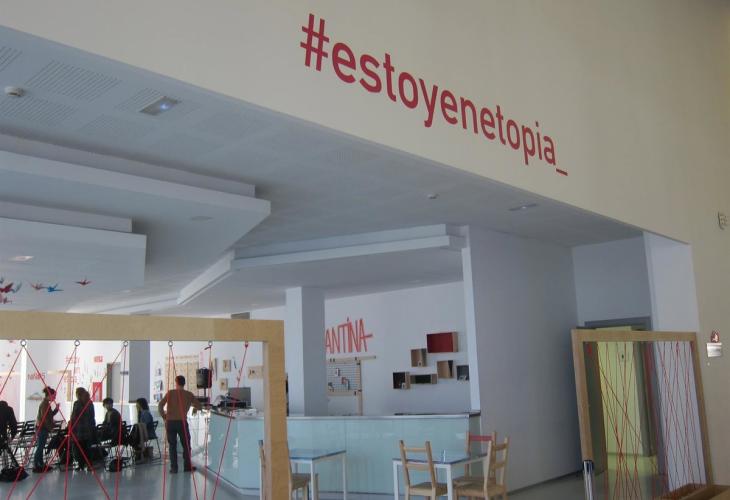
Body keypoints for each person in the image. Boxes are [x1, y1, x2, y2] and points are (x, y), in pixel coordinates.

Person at [158, 375, 201, 473]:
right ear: (184, 383)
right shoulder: (189, 394)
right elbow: (199, 406)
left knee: (172, 446)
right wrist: (193, 407)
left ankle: (174, 468)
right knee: (186, 445)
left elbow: (160, 405)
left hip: (170, 422)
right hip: (182, 422)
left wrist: (164, 416)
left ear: (176, 383)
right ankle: (187, 466)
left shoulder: (170, 393)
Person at [33, 387, 58, 473]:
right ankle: (36, 465)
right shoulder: (44, 404)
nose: (54, 398)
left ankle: (41, 464)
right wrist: (51, 427)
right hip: (42, 428)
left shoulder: (46, 404)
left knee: (41, 446)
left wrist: (56, 410)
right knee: (40, 447)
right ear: (49, 395)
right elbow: (45, 419)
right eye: (54, 396)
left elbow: (49, 415)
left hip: (43, 428)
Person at [69, 387, 96, 469]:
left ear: (78, 394)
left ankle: (81, 465)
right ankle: (89, 464)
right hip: (88, 429)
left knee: (79, 448)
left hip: (78, 430)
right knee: (87, 448)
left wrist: (70, 424)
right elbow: (92, 416)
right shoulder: (90, 403)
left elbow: (74, 417)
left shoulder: (77, 403)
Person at [0, 401, 18, 466]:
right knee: (5, 448)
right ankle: (6, 466)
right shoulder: (8, 409)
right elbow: (13, 424)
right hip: (3, 435)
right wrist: (12, 436)